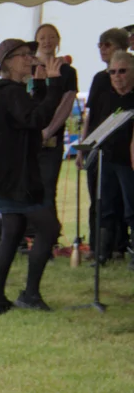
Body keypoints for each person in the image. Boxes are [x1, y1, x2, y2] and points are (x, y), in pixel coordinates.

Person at [0, 38, 67, 309]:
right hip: (15, 177)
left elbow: (28, 114)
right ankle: (29, 294)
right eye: (24, 55)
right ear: (8, 62)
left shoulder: (1, 92)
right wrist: (54, 84)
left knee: (13, 228)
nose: (30, 59)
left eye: (31, 54)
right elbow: (36, 119)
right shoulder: (11, 92)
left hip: (0, 174)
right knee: (48, 227)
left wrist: (42, 84)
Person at [83, 27, 131, 258]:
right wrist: (84, 146)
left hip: (127, 155)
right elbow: (90, 116)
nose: (116, 76)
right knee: (103, 202)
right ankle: (101, 249)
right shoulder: (101, 82)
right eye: (113, 72)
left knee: (128, 204)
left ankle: (123, 247)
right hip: (103, 151)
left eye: (122, 71)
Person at [31, 25, 77, 244]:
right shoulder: (28, 67)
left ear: (58, 40)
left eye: (51, 38)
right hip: (27, 136)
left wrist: (48, 130)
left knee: (48, 188)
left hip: (52, 138)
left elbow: (66, 103)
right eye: (42, 38)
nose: (46, 42)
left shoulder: (67, 72)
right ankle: (25, 235)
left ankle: (48, 237)